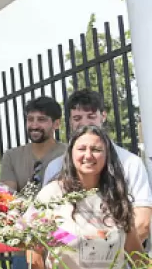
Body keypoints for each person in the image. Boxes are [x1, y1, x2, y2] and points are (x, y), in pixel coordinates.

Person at [29, 125, 150, 269]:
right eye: (81, 148)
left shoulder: (117, 195)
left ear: (107, 155)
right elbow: (35, 253)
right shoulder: (51, 195)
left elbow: (134, 250)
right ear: (71, 153)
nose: (88, 155)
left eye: (96, 149)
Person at [0, 96, 67, 269]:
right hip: (25, 247)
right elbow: (7, 196)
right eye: (30, 119)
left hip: (62, 246)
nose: (34, 125)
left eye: (42, 120)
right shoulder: (12, 156)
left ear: (56, 124)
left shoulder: (68, 153)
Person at [43, 90, 152, 242]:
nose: (85, 123)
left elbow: (143, 222)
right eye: (77, 118)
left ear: (103, 116)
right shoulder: (55, 167)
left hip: (120, 261)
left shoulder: (131, 163)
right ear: (70, 121)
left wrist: (106, 254)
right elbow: (44, 224)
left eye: (91, 116)